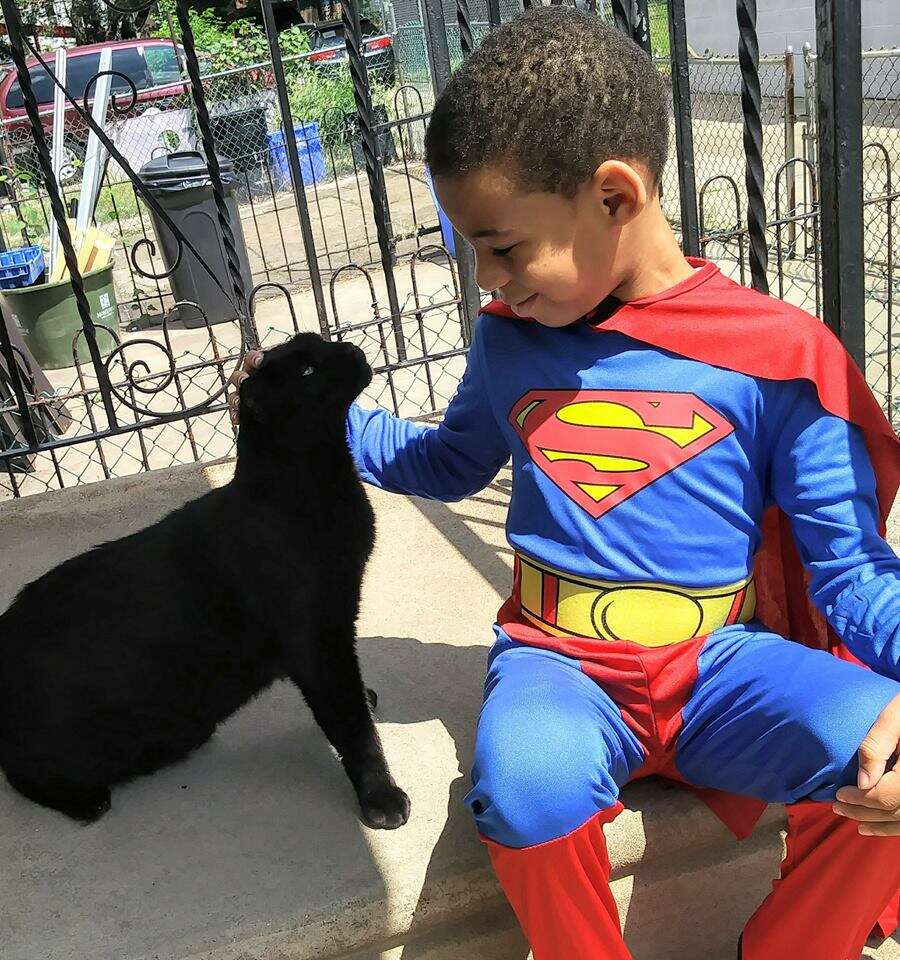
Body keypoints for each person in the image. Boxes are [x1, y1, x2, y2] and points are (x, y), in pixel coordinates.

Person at [228, 8, 900, 958]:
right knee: (526, 789)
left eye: (502, 247)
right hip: (559, 665)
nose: (483, 279)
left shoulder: (779, 357)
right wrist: (321, 423)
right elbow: (446, 462)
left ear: (615, 196)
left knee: (886, 757)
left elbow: (853, 574)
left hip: (720, 666)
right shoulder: (510, 341)